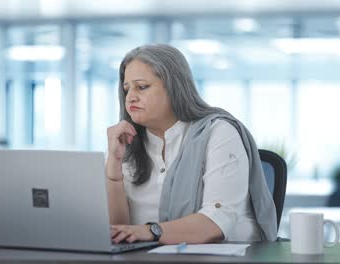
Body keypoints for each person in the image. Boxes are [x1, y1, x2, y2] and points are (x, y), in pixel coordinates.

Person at [106, 44, 277, 245]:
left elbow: (216, 222)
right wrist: (114, 167)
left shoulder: (218, 133)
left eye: (142, 87)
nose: (130, 97)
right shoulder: (128, 142)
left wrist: (150, 231)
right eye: (127, 89)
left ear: (174, 87)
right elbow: (117, 233)